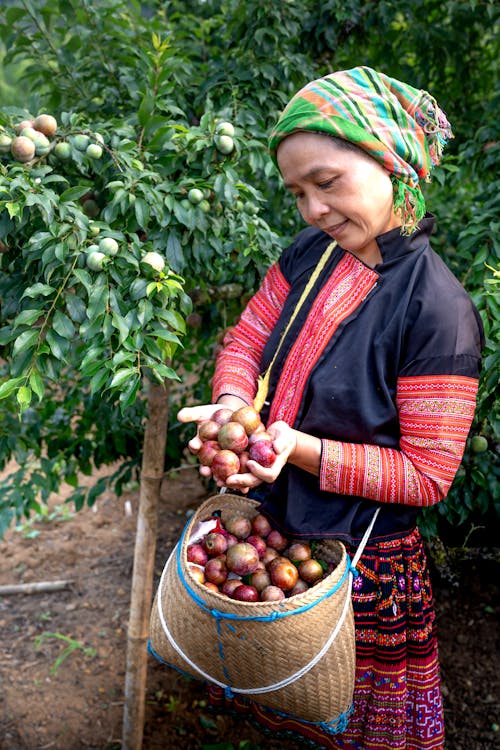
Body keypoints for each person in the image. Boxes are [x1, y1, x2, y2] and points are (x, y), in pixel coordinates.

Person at [177, 66, 484, 749]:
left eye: (328, 182)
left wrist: (298, 447)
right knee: (291, 703)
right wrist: (234, 405)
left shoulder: (438, 312)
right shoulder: (312, 252)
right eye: (298, 193)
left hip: (362, 567)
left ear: (391, 161)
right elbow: (249, 334)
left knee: (358, 721)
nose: (313, 208)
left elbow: (427, 476)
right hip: (282, 531)